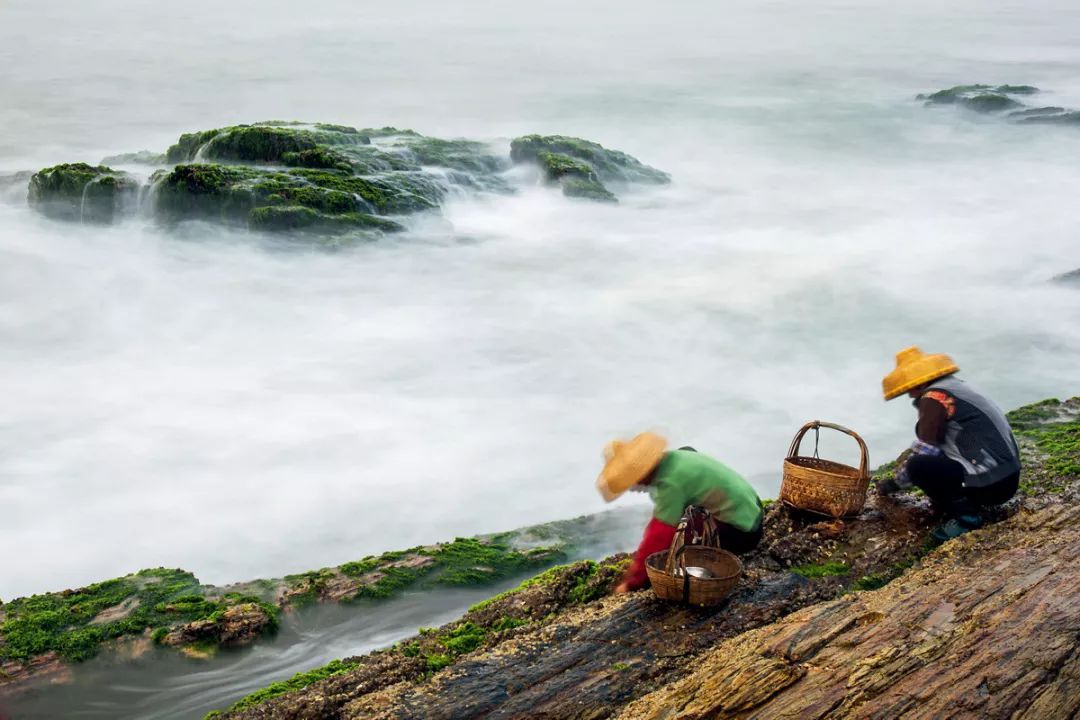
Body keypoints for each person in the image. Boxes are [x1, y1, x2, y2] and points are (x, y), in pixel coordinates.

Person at [878, 347, 1021, 542]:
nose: (910, 395)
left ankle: (966, 516)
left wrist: (894, 484)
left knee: (918, 465)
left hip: (991, 485)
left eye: (910, 390)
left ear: (919, 384)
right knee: (936, 459)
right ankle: (959, 503)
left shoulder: (934, 398)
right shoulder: (957, 387)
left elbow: (925, 448)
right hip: (1008, 476)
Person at [595, 432, 764, 593]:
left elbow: (658, 536)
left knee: (674, 545)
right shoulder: (679, 456)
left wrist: (632, 582)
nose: (634, 487)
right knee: (682, 518)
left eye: (632, 480)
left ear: (643, 472)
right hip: (754, 510)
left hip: (743, 533)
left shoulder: (671, 484)